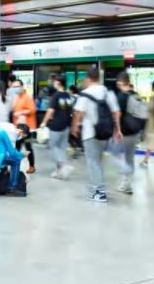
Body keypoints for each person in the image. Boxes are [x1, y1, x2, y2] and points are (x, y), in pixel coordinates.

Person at [71, 67, 122, 203]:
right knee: (98, 161)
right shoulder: (107, 92)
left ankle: (100, 192)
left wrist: (75, 127)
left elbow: (78, 113)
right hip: (106, 132)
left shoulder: (85, 93)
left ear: (88, 78)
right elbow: (116, 112)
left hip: (90, 133)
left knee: (93, 162)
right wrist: (118, 130)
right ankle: (97, 187)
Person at [113, 72, 145, 195]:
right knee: (129, 158)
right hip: (135, 131)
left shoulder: (122, 96)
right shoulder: (136, 95)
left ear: (120, 82)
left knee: (115, 154)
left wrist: (116, 130)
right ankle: (127, 183)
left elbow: (118, 115)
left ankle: (126, 183)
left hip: (124, 132)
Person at [41, 74, 74, 180]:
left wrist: (44, 122)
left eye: (55, 81)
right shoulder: (68, 95)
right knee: (62, 148)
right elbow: (70, 111)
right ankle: (60, 172)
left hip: (56, 125)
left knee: (52, 146)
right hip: (66, 125)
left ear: (58, 83)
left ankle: (63, 165)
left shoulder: (56, 95)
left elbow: (50, 111)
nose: (53, 83)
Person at [0, 121, 27, 197]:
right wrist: (22, 155)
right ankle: (12, 188)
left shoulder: (5, 126)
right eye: (22, 136)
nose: (20, 138)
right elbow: (12, 153)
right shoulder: (8, 134)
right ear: (21, 131)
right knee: (16, 161)